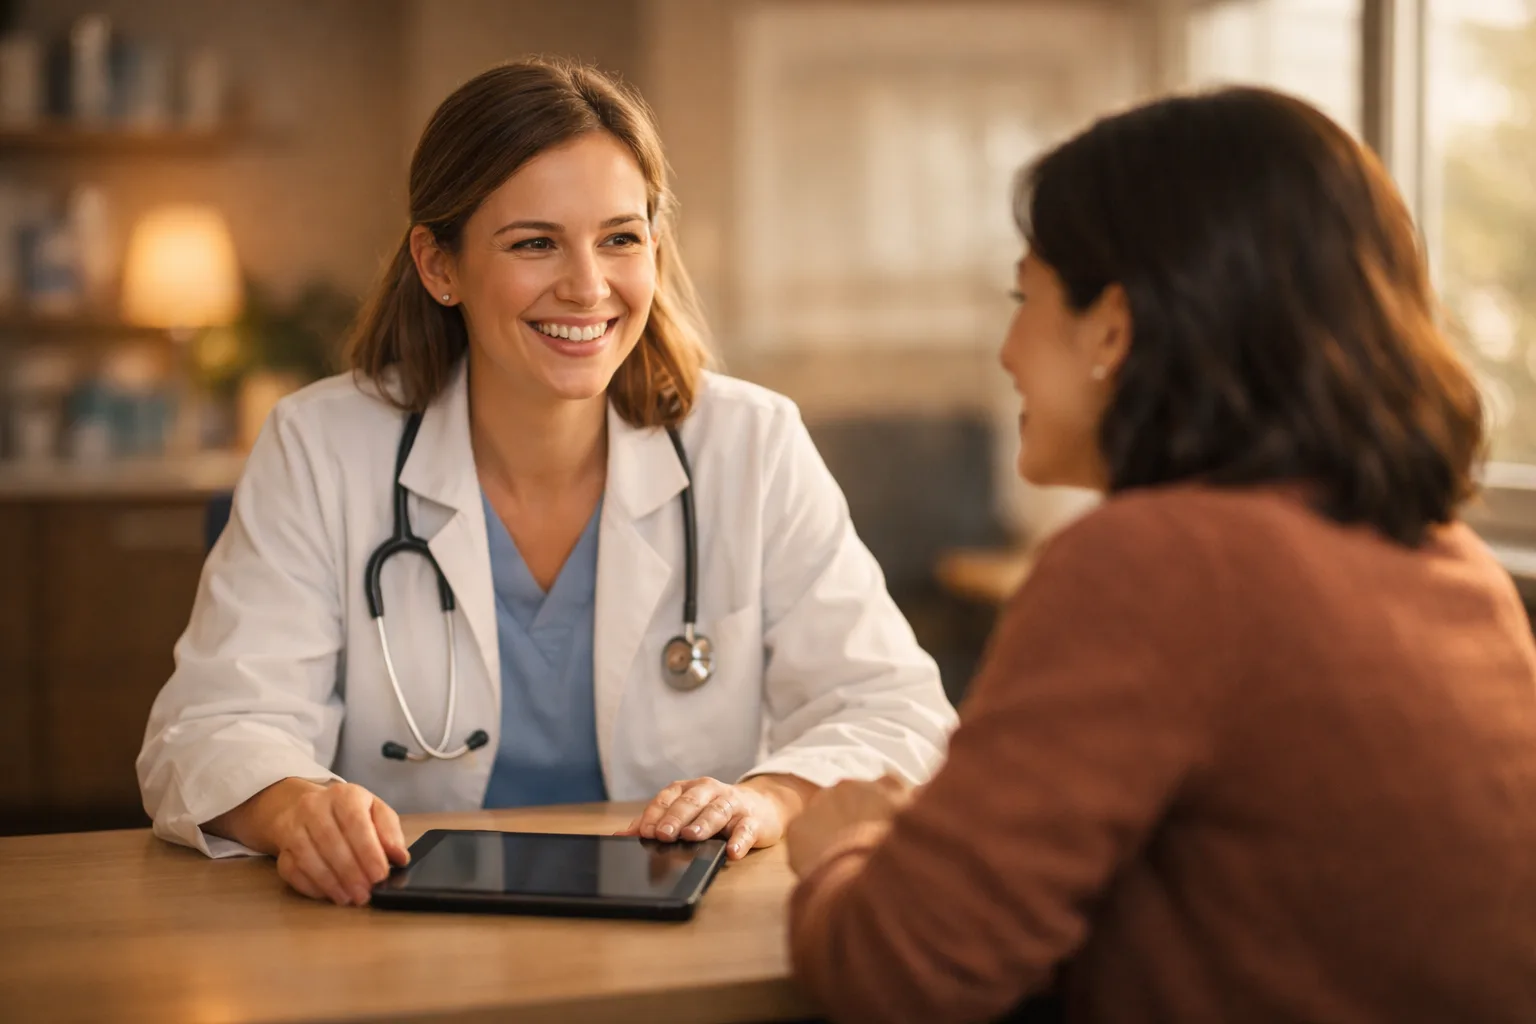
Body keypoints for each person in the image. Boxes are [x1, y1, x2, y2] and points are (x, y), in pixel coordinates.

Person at [785, 86, 1536, 1023]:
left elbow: (901, 970)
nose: (1008, 351)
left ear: (1113, 327)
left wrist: (847, 851)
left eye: (1025, 298)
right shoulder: (1453, 562)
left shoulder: (1157, 564)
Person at [136, 57, 955, 907]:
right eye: (535, 243)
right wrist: (295, 808)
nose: (587, 287)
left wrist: (769, 798)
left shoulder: (751, 445)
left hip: (670, 938)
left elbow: (899, 712)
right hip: (402, 935)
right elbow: (207, 731)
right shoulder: (320, 448)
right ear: (439, 265)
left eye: (620, 238)